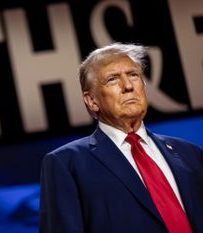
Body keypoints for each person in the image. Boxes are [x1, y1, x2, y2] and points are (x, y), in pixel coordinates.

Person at [39, 42, 203, 233]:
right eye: (112, 79)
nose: (127, 86)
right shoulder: (67, 163)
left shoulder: (189, 153)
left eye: (133, 75)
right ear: (92, 101)